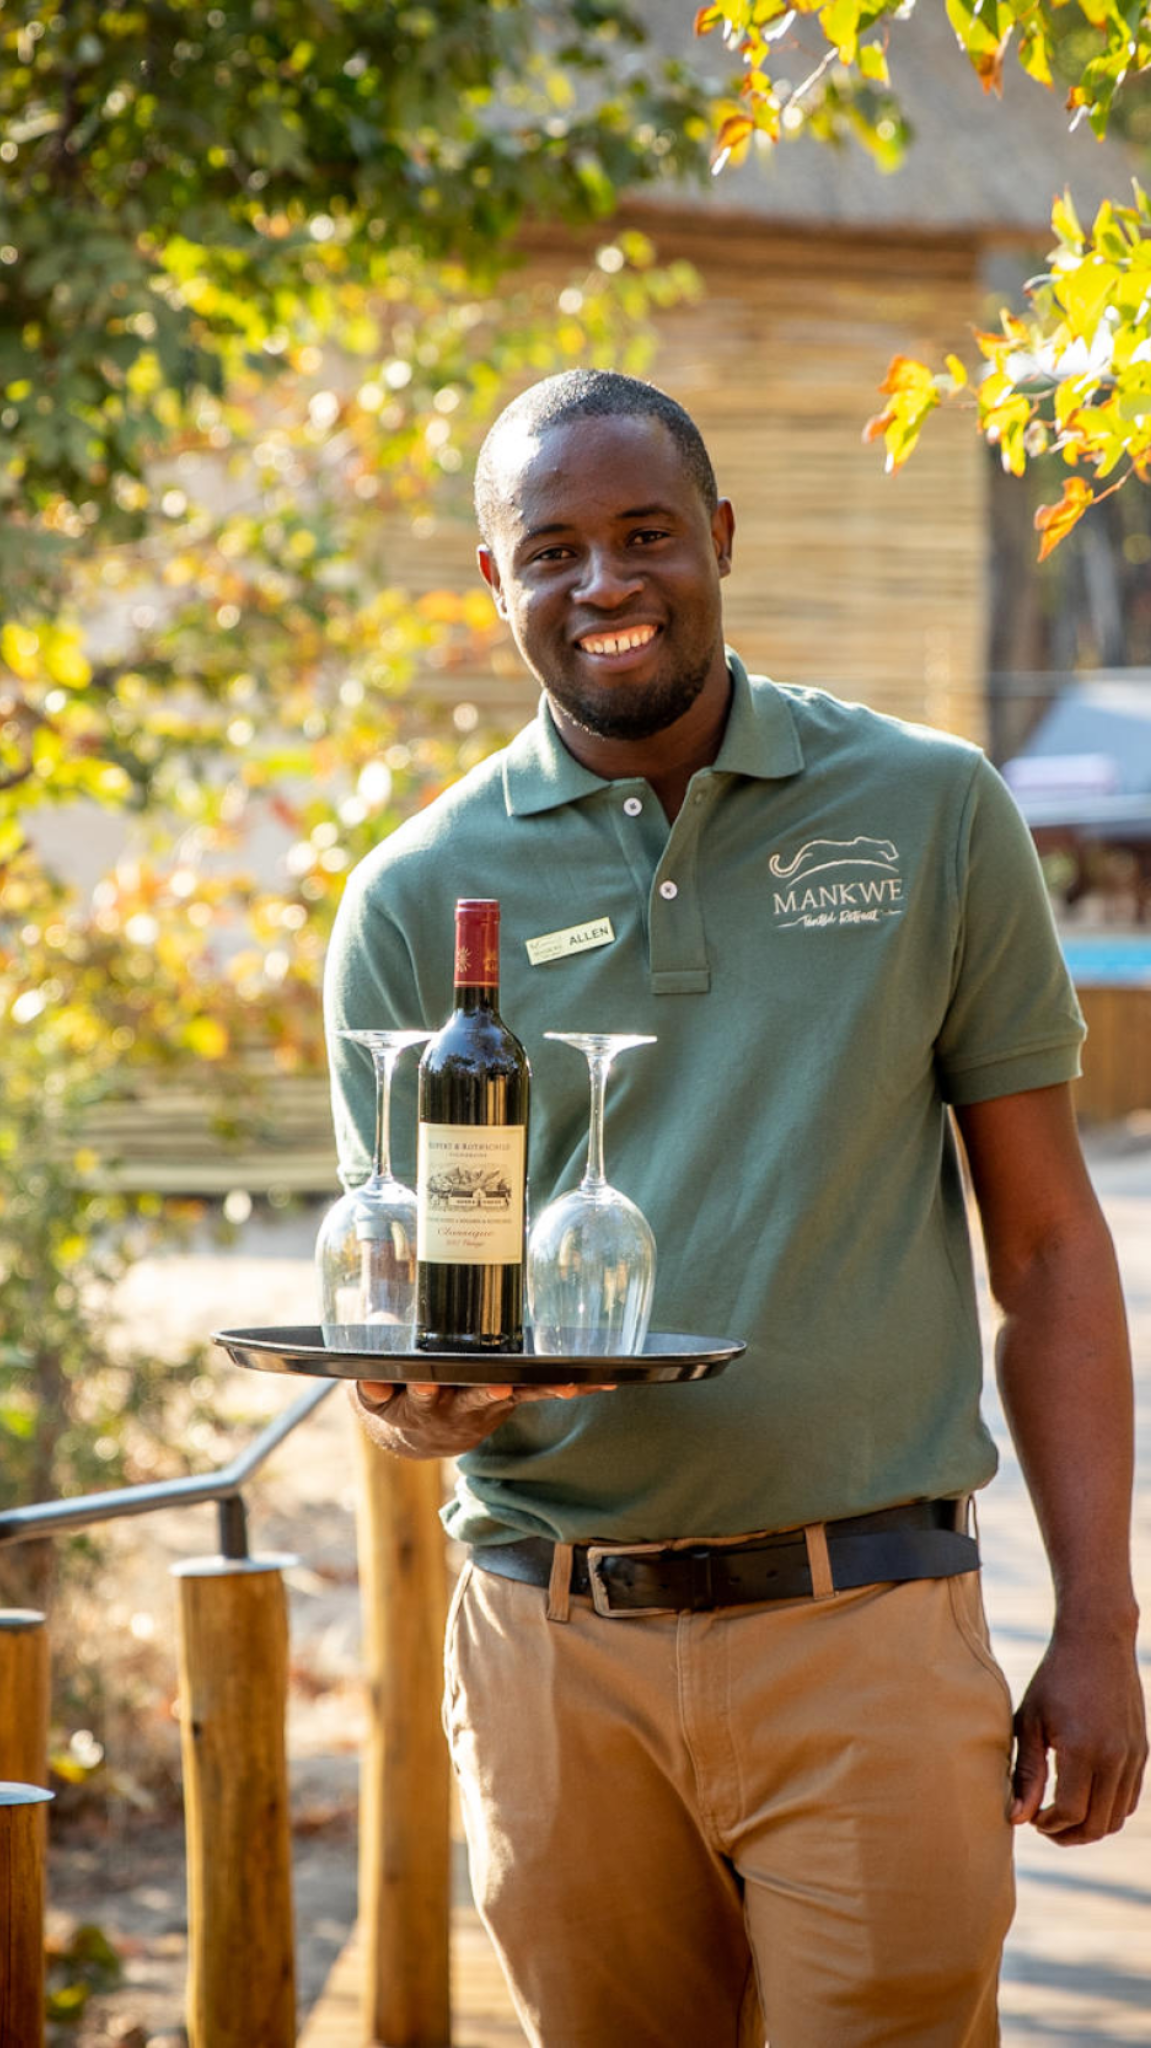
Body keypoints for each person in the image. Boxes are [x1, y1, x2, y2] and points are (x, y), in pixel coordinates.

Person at [324, 369, 1146, 2047]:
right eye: (550, 550)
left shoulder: (926, 812)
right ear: (495, 584)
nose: (603, 584)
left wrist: (1097, 1625)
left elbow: (1051, 1247)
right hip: (557, 1648)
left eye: (642, 536)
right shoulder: (414, 899)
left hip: (868, 1628)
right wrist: (424, 1412)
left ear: (719, 537)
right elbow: (405, 1326)